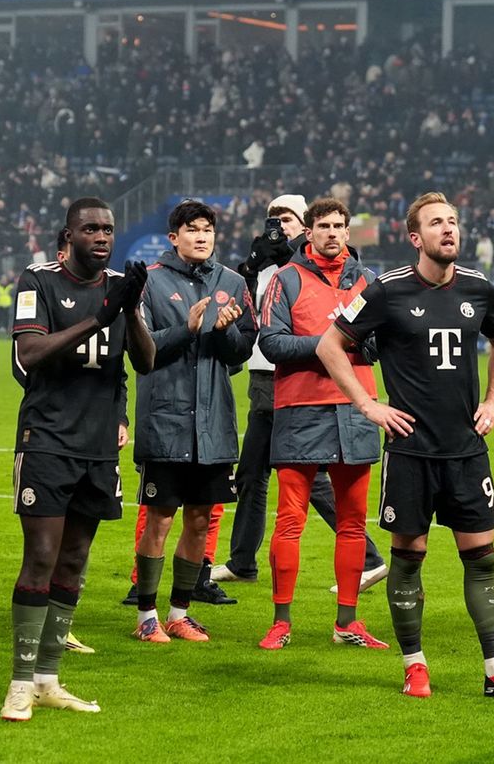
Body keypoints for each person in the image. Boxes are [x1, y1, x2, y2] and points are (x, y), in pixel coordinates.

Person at [317, 191, 494, 703]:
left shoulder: (480, 288)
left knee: (482, 558)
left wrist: (493, 401)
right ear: (415, 237)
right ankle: (414, 666)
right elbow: (330, 344)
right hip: (411, 451)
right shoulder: (386, 290)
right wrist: (368, 405)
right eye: (436, 223)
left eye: (453, 221)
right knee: (408, 558)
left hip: (466, 450)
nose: (449, 229)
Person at [1, 197, 154, 721]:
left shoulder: (120, 286)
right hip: (46, 439)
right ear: (68, 236)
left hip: (98, 447)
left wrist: (128, 309)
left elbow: (146, 361)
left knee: (73, 560)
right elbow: (30, 354)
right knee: (41, 557)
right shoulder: (37, 280)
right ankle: (19, 683)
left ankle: (47, 678)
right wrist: (100, 316)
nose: (102, 236)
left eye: (108, 229)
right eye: (90, 228)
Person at [215, 193, 388, 593]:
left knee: (307, 477)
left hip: (311, 391)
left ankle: (369, 557)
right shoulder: (270, 269)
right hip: (267, 379)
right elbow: (257, 325)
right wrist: (252, 267)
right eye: (273, 220)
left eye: (288, 219)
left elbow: (374, 342)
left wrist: (330, 344)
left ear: (304, 226)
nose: (280, 227)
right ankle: (243, 560)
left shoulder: (328, 272)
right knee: (253, 474)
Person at [256, 197, 388, 651]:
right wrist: (331, 345)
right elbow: (272, 343)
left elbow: (380, 344)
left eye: (338, 226)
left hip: (357, 410)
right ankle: (280, 622)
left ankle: (347, 622)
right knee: (290, 520)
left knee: (352, 523)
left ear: (348, 232)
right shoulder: (286, 279)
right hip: (301, 410)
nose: (332, 233)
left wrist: (356, 345)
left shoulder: (368, 281)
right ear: (308, 232)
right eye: (323, 226)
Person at [130, 199, 255, 644]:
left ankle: (179, 613)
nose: (201, 237)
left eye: (207, 230)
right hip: (165, 422)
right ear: (173, 237)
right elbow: (141, 348)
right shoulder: (149, 282)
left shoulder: (233, 282)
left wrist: (224, 331)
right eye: (192, 230)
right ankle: (146, 615)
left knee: (200, 520)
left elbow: (242, 351)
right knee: (160, 519)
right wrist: (188, 328)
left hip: (214, 425)